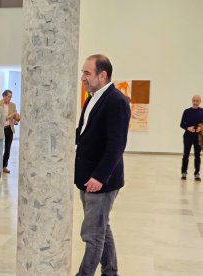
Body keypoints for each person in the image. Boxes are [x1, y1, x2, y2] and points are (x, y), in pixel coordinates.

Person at [74, 54, 130, 276]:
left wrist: (99, 177)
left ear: (102, 75)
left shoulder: (117, 101)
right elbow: (86, 134)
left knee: (92, 234)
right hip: (87, 177)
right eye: (83, 73)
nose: (83, 78)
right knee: (102, 228)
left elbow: (116, 145)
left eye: (87, 73)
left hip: (100, 181)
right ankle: (110, 271)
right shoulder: (92, 98)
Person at [180, 95, 203, 180]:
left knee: (197, 155)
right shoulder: (187, 111)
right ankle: (184, 172)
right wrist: (188, 128)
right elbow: (182, 124)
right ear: (192, 101)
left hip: (198, 137)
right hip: (188, 136)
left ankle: (197, 173)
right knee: (186, 155)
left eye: (197, 100)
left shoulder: (202, 111)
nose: (195, 102)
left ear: (200, 101)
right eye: (194, 100)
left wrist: (201, 128)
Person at [0, 89, 20, 173]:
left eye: (11, 97)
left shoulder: (13, 105)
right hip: (0, 128)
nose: (10, 98)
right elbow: (4, 117)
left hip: (9, 128)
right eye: (8, 96)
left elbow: (16, 118)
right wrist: (13, 114)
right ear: (4, 96)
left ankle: (4, 166)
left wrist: (18, 116)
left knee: (7, 149)